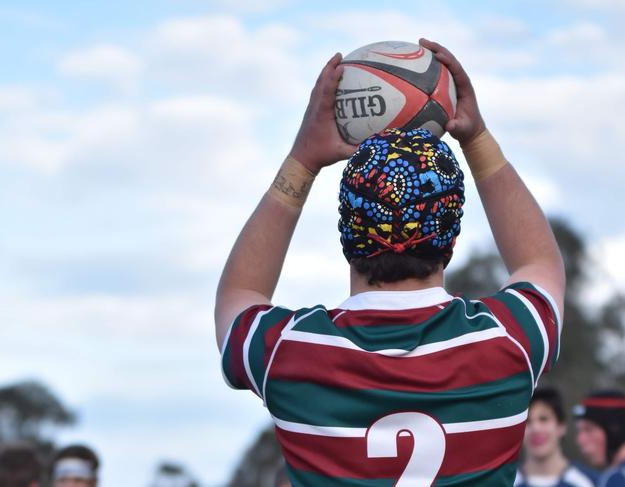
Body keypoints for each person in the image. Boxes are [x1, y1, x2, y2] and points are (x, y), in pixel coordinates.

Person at [216, 38, 565, 485]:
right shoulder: (509, 339)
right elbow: (540, 261)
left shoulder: (290, 351)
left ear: (346, 234)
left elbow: (239, 296)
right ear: (450, 239)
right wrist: (477, 140)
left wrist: (301, 160)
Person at [515, 387, 598, 486]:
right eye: (527, 421)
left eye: (543, 419)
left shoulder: (590, 482)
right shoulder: (504, 481)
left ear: (561, 426)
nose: (535, 428)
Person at [574, 390, 625, 486]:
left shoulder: (615, 479)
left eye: (589, 430)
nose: (580, 441)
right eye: (579, 431)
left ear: (614, 429)